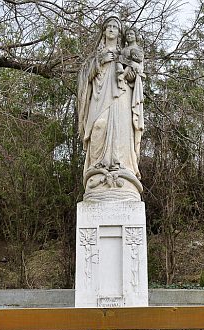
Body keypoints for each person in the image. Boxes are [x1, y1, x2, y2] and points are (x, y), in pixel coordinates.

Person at [77, 16, 144, 202]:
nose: (112, 29)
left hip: (121, 97)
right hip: (99, 97)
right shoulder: (95, 56)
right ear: (104, 31)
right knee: (99, 126)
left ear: (119, 32)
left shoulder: (125, 53)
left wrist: (129, 73)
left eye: (115, 26)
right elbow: (84, 78)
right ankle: (97, 170)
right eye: (109, 26)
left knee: (121, 131)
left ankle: (122, 170)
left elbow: (135, 74)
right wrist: (100, 61)